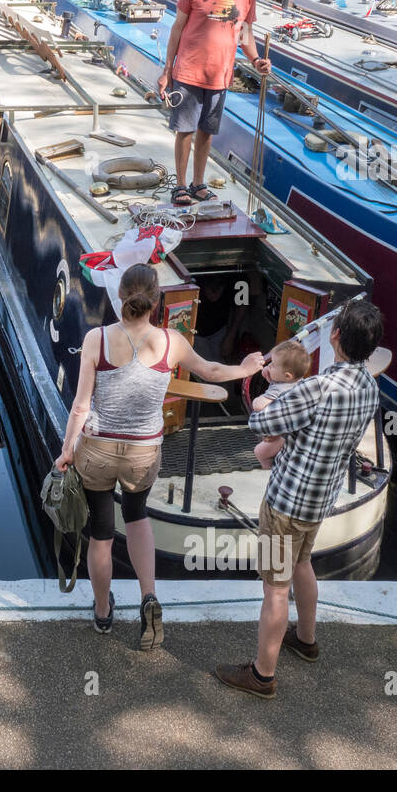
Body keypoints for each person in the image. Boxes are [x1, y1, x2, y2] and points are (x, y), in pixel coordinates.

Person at [57, 263, 264, 650]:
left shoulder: (95, 340)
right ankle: (149, 598)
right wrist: (246, 367)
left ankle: (103, 613)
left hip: (98, 450)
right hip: (143, 453)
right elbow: (212, 371)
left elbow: (81, 407)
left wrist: (67, 450)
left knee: (101, 535)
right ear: (157, 301)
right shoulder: (173, 342)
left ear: (120, 296)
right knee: (137, 518)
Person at [215, 299, 383, 699]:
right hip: (319, 502)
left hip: (286, 504)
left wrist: (268, 392)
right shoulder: (369, 387)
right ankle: (305, 639)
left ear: (336, 336)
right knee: (303, 563)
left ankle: (261, 675)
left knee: (274, 588)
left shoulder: (318, 387)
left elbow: (259, 423)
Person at [152, 0, 270, 207]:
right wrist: (167, 70)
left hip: (220, 76)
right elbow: (177, 29)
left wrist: (255, 60)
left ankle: (198, 183)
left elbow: (246, 33)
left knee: (206, 131)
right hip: (189, 72)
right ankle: (180, 186)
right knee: (185, 129)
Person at [251, 339, 311, 468]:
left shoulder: (280, 389)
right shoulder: (298, 381)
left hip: (283, 436)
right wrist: (270, 374)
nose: (269, 366)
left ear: (287, 376)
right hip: (296, 431)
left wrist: (257, 399)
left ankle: (268, 468)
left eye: (273, 365)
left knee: (260, 451)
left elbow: (258, 406)